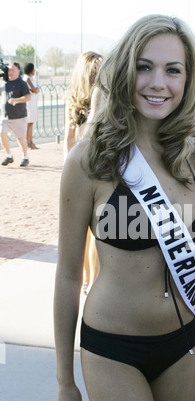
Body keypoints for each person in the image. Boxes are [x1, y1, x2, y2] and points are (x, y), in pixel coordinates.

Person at [54, 14, 195, 401]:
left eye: (173, 70)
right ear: (123, 71)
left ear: (188, 78)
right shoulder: (88, 160)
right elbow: (66, 275)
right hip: (112, 349)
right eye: (144, 66)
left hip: (182, 347)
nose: (158, 82)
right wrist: (64, 379)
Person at [64, 51, 103, 293]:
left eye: (100, 70)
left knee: (98, 230)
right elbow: (68, 142)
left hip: (102, 172)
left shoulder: (108, 99)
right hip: (80, 172)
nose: (97, 75)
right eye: (93, 71)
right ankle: (88, 278)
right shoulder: (74, 102)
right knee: (84, 232)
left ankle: (94, 280)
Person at [1, 62, 31, 167]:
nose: (10, 72)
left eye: (13, 70)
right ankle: (9, 155)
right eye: (9, 70)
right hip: (6, 117)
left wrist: (16, 100)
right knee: (2, 133)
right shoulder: (4, 83)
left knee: (20, 138)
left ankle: (25, 157)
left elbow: (28, 97)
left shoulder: (22, 83)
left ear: (19, 71)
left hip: (19, 117)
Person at [23, 62, 39, 149]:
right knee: (29, 123)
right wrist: (36, 90)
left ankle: (30, 141)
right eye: (33, 69)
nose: (34, 71)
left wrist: (35, 90)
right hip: (29, 103)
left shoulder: (30, 78)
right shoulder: (27, 79)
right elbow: (34, 90)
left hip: (32, 102)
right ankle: (29, 143)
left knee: (31, 123)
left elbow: (35, 90)